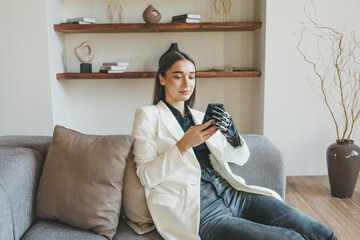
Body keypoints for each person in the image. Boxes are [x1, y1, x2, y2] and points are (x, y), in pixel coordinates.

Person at [131, 51, 337, 240]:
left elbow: (239, 157)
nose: (187, 83)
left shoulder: (201, 117)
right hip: (201, 211)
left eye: (192, 76)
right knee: (289, 238)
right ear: (162, 78)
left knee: (316, 231)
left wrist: (233, 134)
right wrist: (184, 144)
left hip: (234, 193)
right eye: (178, 76)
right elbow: (147, 176)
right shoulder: (148, 115)